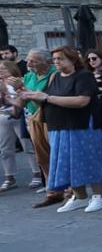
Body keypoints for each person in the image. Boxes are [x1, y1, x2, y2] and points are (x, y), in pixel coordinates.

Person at [18, 46, 102, 213]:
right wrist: (29, 95)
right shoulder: (54, 77)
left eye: (60, 59)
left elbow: (82, 101)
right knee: (68, 162)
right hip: (58, 127)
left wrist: (47, 97)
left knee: (88, 159)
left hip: (82, 126)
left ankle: (100, 196)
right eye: (54, 60)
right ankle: (80, 196)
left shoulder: (84, 76)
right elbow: (45, 100)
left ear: (72, 59)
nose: (56, 62)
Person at [23, 49, 55, 204]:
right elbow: (20, 102)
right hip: (34, 118)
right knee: (42, 157)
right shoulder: (29, 76)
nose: (29, 64)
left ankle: (69, 189)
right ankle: (52, 189)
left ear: (46, 61)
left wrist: (25, 91)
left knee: (56, 154)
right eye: (28, 60)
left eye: (34, 61)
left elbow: (45, 99)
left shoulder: (54, 74)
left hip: (51, 118)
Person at [0, 61, 25, 192]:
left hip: (19, 115)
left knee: (28, 147)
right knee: (5, 149)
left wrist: (8, 94)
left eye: (3, 68)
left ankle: (37, 173)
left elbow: (23, 99)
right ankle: (9, 177)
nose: (1, 71)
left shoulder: (19, 81)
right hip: (3, 116)